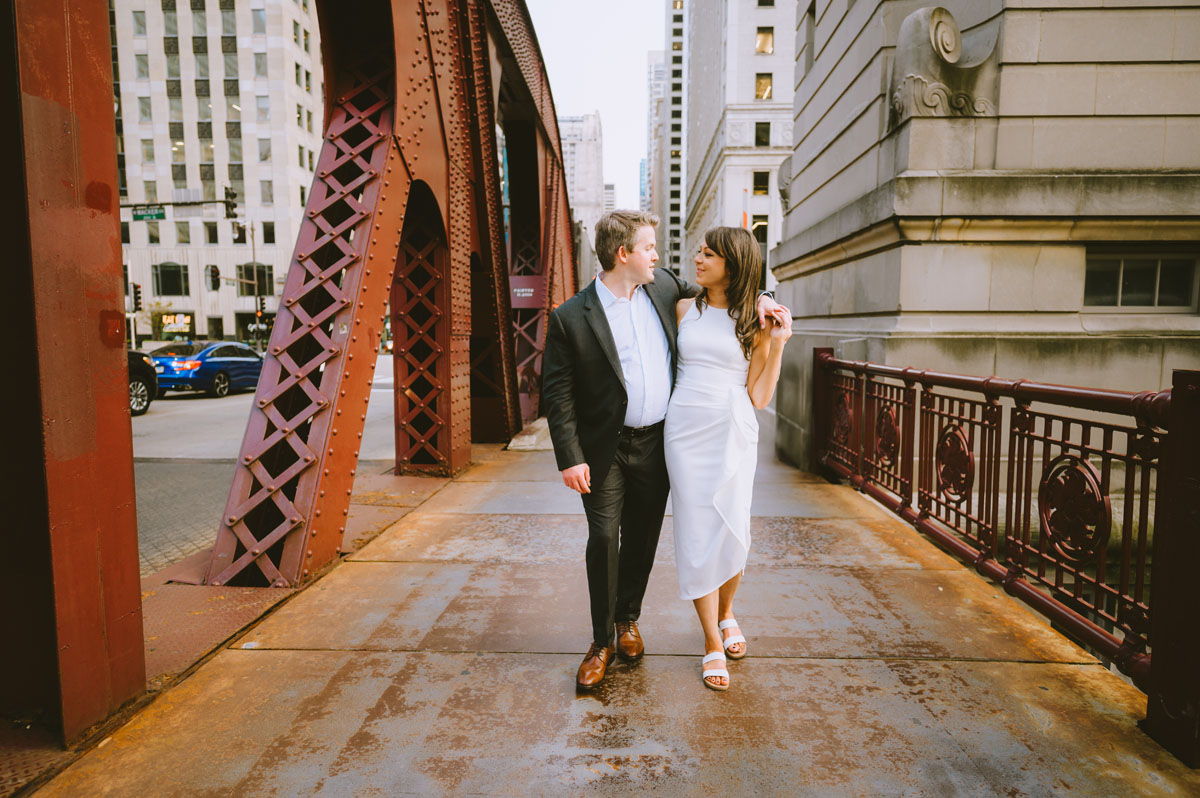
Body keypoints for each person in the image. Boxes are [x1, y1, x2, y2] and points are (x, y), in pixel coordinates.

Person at [542, 210, 783, 690]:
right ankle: (600, 642)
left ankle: (628, 618)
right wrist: (570, 456)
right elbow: (558, 393)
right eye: (649, 247)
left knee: (644, 538)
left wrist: (767, 300)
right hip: (607, 447)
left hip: (659, 440)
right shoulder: (571, 317)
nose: (660, 255)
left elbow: (739, 283)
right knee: (606, 538)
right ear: (622, 254)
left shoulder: (664, 288)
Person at [664, 226, 792, 691]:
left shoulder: (752, 322)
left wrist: (776, 344)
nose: (698, 260)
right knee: (695, 531)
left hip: (732, 429)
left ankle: (728, 612)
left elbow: (758, 395)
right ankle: (710, 641)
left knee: (734, 526)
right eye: (698, 252)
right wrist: (764, 291)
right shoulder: (683, 308)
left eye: (709, 255)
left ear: (731, 265)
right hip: (683, 432)